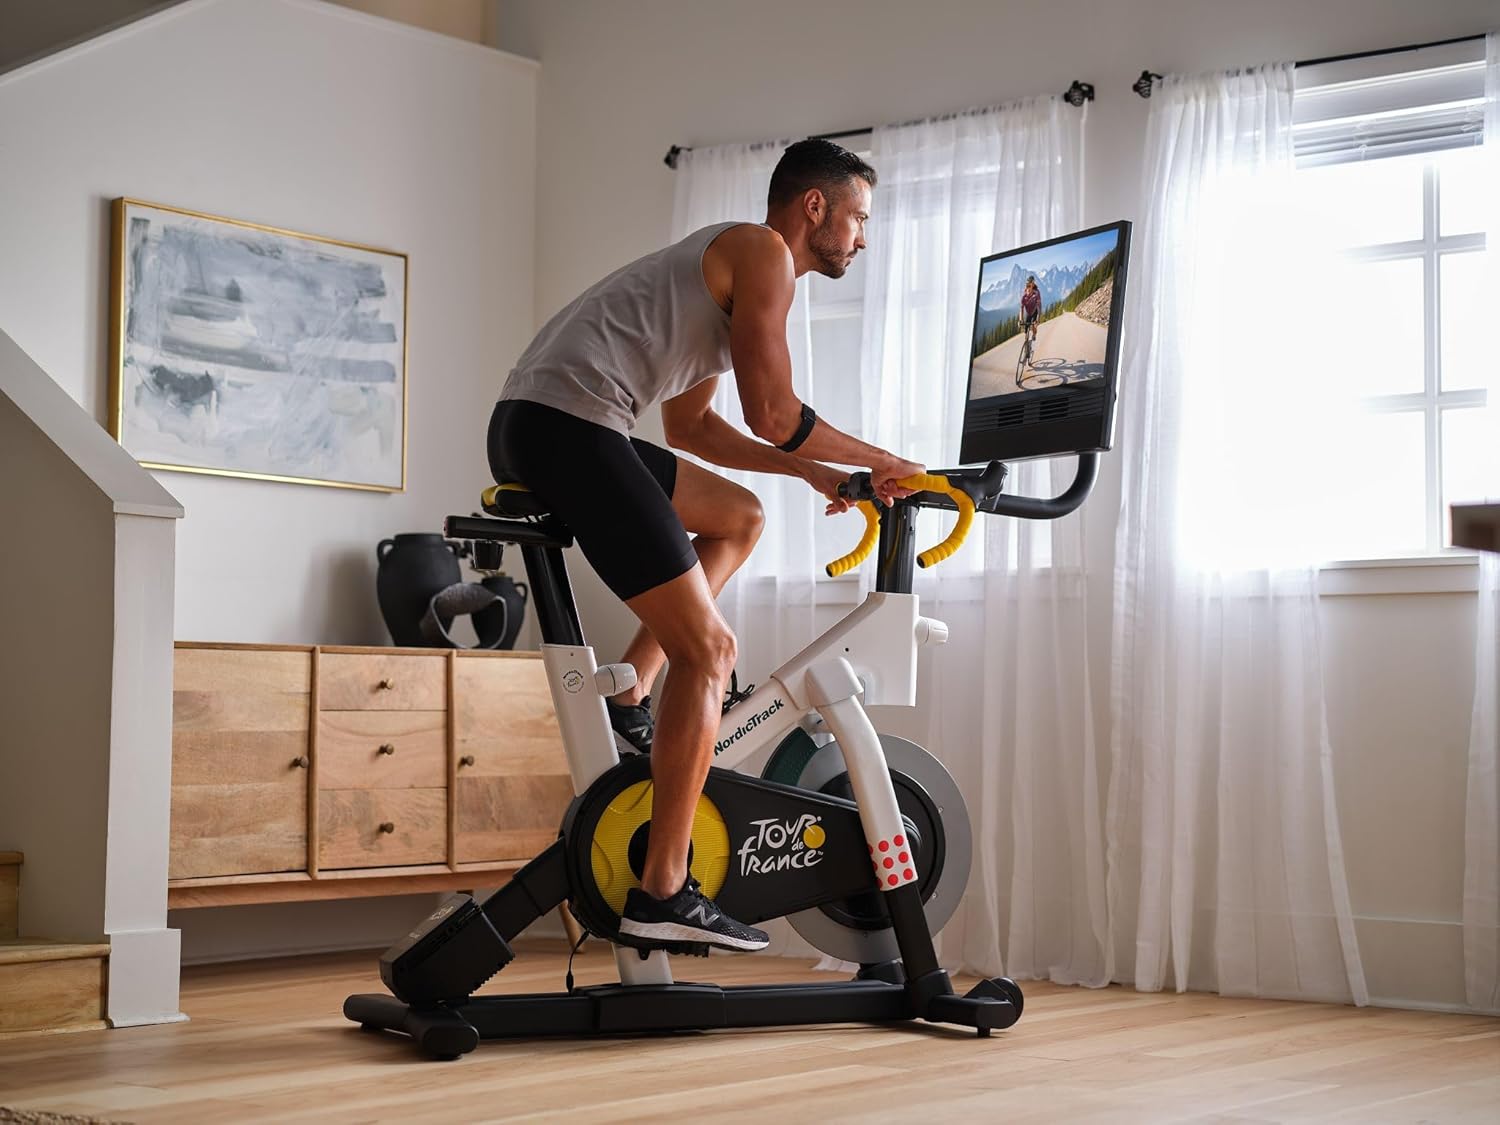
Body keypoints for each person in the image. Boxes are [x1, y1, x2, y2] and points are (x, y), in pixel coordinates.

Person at [486, 139, 923, 952]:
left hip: (543, 425)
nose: (863, 238)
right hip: (569, 429)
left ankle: (630, 694)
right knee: (712, 651)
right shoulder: (764, 254)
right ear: (816, 207)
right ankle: (663, 888)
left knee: (738, 516)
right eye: (858, 217)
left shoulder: (726, 270)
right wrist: (881, 460)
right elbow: (775, 411)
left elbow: (692, 428)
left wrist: (811, 471)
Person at [1020, 276, 1042, 341]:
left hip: (1035, 310)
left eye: (1031, 282)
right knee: (1026, 328)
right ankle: (1026, 339)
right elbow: (1021, 308)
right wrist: (1021, 319)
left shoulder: (1037, 292)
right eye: (1028, 283)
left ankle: (1034, 334)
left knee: (1033, 325)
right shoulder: (1025, 293)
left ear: (1033, 283)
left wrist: (1038, 319)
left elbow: (1039, 306)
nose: (1029, 284)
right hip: (1028, 312)